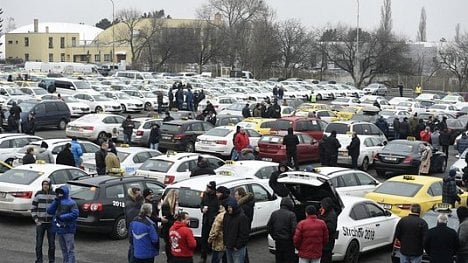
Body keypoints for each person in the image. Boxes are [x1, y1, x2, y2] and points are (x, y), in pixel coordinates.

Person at [47, 185, 79, 263]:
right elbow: (49, 211)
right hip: (59, 228)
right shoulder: (58, 201)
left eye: (61, 192)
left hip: (68, 229)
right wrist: (56, 200)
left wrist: (62, 217)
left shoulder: (71, 202)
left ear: (65, 192)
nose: (59, 194)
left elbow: (75, 214)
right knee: (64, 249)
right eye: (58, 192)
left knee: (70, 250)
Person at [32, 179, 56, 263]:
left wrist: (55, 220)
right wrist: (36, 219)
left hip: (51, 223)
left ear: (50, 185)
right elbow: (33, 208)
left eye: (47, 184)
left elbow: (57, 208)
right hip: (40, 223)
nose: (45, 186)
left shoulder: (54, 195)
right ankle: (39, 260)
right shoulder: (38, 194)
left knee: (52, 244)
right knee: (39, 244)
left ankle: (51, 260)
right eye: (43, 184)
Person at [267, 197, 297, 263]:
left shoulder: (274, 214)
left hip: (278, 242)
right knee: (289, 259)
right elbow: (294, 229)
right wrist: (290, 237)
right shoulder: (291, 214)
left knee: (279, 259)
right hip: (288, 242)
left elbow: (269, 227)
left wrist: (274, 236)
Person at [223, 197, 250, 263]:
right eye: (228, 207)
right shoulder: (226, 215)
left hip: (237, 248)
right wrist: (225, 243)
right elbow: (225, 230)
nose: (229, 209)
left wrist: (238, 246)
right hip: (228, 246)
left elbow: (244, 234)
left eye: (230, 207)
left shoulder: (242, 217)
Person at [209, 186, 231, 263]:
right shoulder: (229, 214)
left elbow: (215, 230)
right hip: (227, 242)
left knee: (215, 260)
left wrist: (209, 240)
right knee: (226, 259)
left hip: (219, 243)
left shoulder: (220, 216)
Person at [200, 181, 219, 263]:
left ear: (212, 189)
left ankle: (215, 258)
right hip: (206, 220)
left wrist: (216, 216)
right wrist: (202, 209)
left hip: (214, 222)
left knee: (214, 240)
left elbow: (220, 208)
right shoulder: (205, 195)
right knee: (203, 239)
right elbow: (201, 204)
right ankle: (203, 257)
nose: (207, 189)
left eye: (208, 188)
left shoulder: (217, 197)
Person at [126, 187, 144, 263]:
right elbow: (132, 215)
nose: (140, 195)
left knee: (133, 246)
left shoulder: (131, 201)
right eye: (138, 194)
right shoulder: (132, 203)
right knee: (134, 246)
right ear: (134, 194)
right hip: (133, 227)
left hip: (132, 226)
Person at [318, 197, 338, 263]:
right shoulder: (326, 212)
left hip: (328, 242)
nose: (321, 207)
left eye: (322, 205)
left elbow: (331, 228)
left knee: (326, 258)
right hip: (324, 242)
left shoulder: (331, 215)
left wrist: (321, 221)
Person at [161, 189, 178, 263]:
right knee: (168, 244)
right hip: (167, 228)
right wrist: (174, 221)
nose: (177, 199)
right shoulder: (166, 205)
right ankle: (169, 259)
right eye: (176, 197)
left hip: (170, 227)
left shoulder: (173, 205)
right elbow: (166, 220)